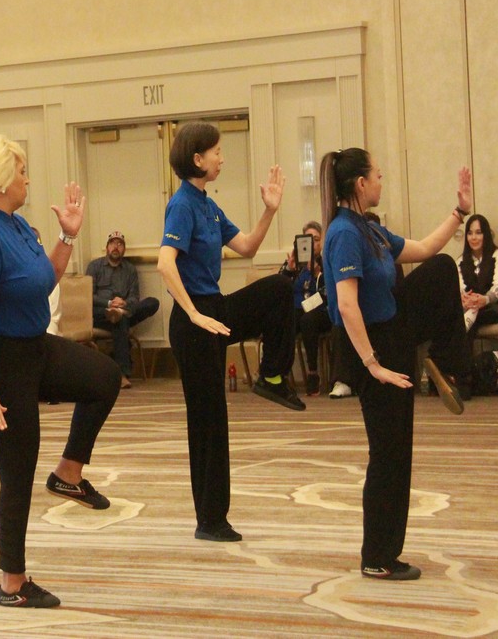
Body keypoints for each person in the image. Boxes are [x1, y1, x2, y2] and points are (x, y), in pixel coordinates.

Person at [0, 135, 121, 609]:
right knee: (17, 473)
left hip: (34, 348)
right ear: (1, 181)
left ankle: (68, 472)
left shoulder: (16, 225)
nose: (28, 180)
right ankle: (12, 583)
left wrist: (67, 236)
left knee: (104, 378)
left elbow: (44, 279)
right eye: (22, 172)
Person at [320, 147, 472, 582]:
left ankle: (443, 361)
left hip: (392, 334)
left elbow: (424, 248)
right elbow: (346, 304)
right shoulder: (343, 233)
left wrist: (459, 213)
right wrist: (372, 364)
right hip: (373, 348)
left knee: (441, 267)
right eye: (378, 176)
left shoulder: (370, 228)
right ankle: (375, 556)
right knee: (387, 454)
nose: (381, 182)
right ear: (360, 184)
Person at [155, 121, 304, 545]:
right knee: (209, 421)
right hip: (193, 321)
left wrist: (270, 210)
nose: (222, 158)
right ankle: (210, 520)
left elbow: (248, 247)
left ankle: (272, 376)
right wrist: (193, 314)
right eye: (217, 151)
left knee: (279, 289)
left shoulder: (208, 205)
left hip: (214, 310)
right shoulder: (181, 205)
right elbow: (165, 264)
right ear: (197, 158)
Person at [86, 230, 161, 388]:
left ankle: (120, 314)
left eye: (120, 244)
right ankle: (122, 374)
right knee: (121, 321)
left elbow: (134, 297)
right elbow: (88, 296)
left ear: (124, 249)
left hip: (124, 310)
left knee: (152, 302)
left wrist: (124, 304)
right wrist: (109, 303)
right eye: (113, 243)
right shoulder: (94, 266)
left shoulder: (130, 270)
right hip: (100, 313)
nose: (116, 247)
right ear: (107, 247)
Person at [280, 221, 331, 396]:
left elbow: (328, 294)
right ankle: (278, 373)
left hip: (320, 312)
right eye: (308, 239)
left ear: (321, 242)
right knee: (286, 319)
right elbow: (278, 288)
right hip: (297, 311)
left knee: (307, 319)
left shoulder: (326, 262)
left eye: (316, 239)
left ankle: (312, 373)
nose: (313, 244)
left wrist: (317, 274)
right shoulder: (294, 263)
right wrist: (289, 269)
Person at [457, 214, 498, 335]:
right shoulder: (461, 261)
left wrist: (484, 299)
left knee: (468, 315)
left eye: (478, 233)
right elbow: (460, 288)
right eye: (470, 233)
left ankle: (459, 342)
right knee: (454, 314)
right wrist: (465, 299)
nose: (474, 237)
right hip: (471, 307)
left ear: (486, 234)